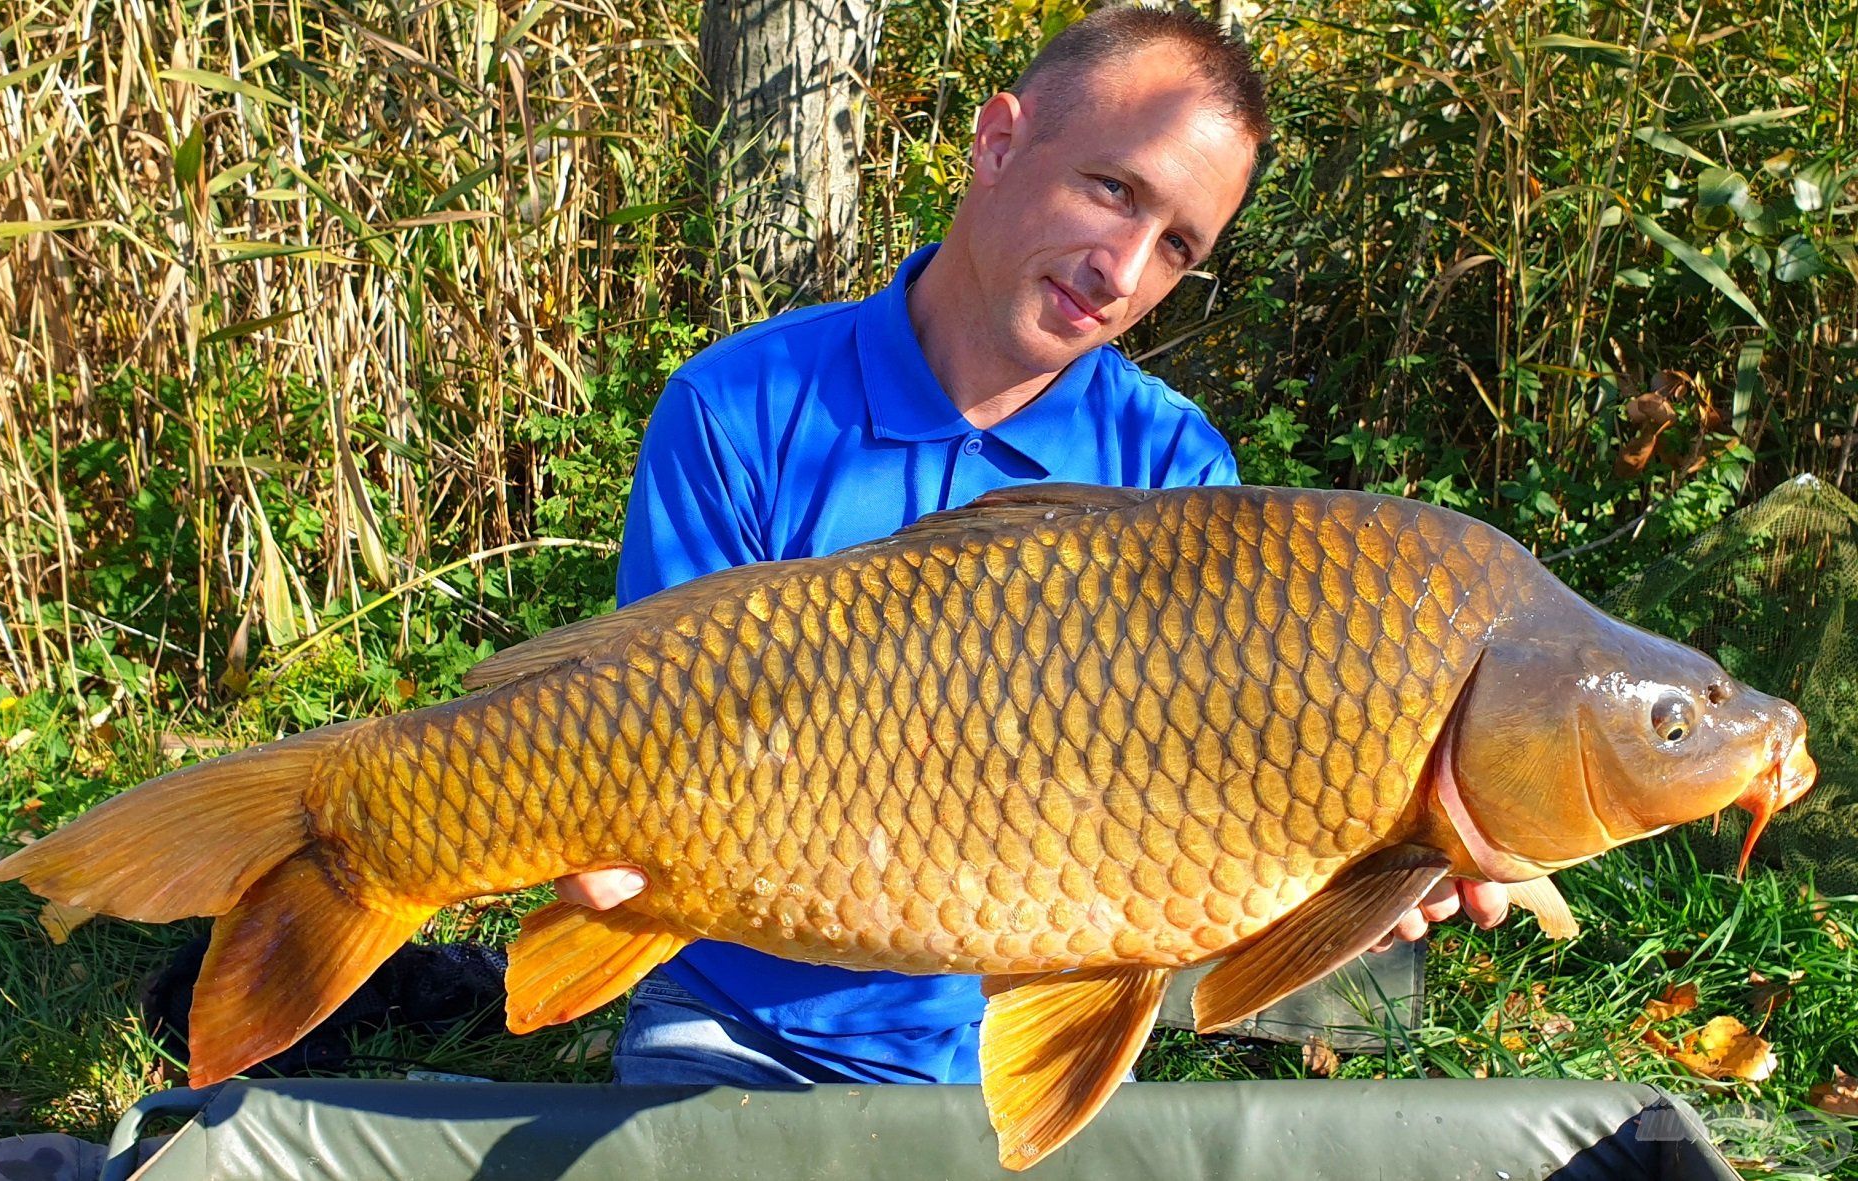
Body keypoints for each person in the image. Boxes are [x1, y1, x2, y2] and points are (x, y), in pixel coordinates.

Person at [554, 4, 1508, 1086]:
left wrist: (1364, 878)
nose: (1124, 271)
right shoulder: (743, 408)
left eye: (1178, 247)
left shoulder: (1174, 473)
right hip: (743, 1016)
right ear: (999, 143)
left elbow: (1202, 836)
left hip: (1040, 1029)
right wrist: (593, 833)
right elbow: (648, 737)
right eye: (1116, 191)